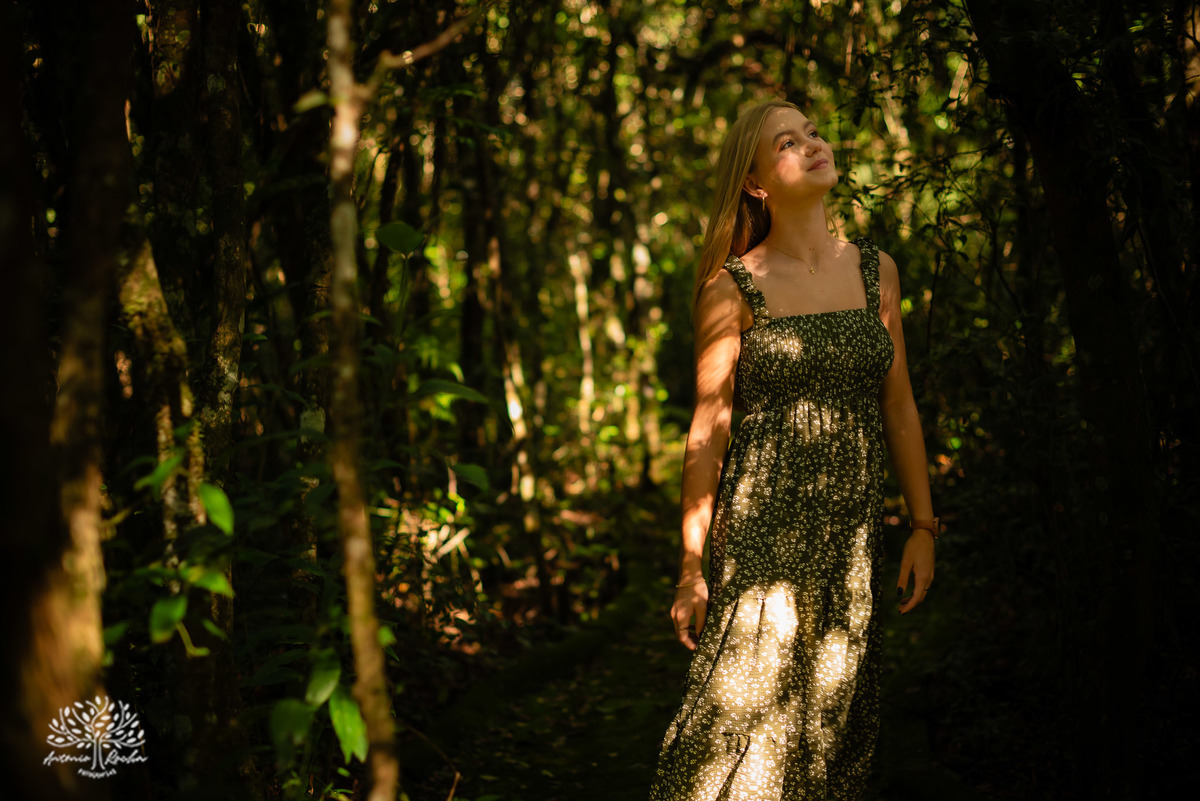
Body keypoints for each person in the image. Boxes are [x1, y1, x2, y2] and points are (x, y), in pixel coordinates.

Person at [647, 99, 938, 800]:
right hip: (762, 542)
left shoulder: (877, 272)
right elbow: (708, 430)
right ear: (755, 183)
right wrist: (692, 565)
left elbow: (897, 403)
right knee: (738, 729)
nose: (813, 143)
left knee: (829, 729)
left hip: (850, 547)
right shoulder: (732, 285)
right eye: (788, 141)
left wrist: (924, 525)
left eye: (812, 131)